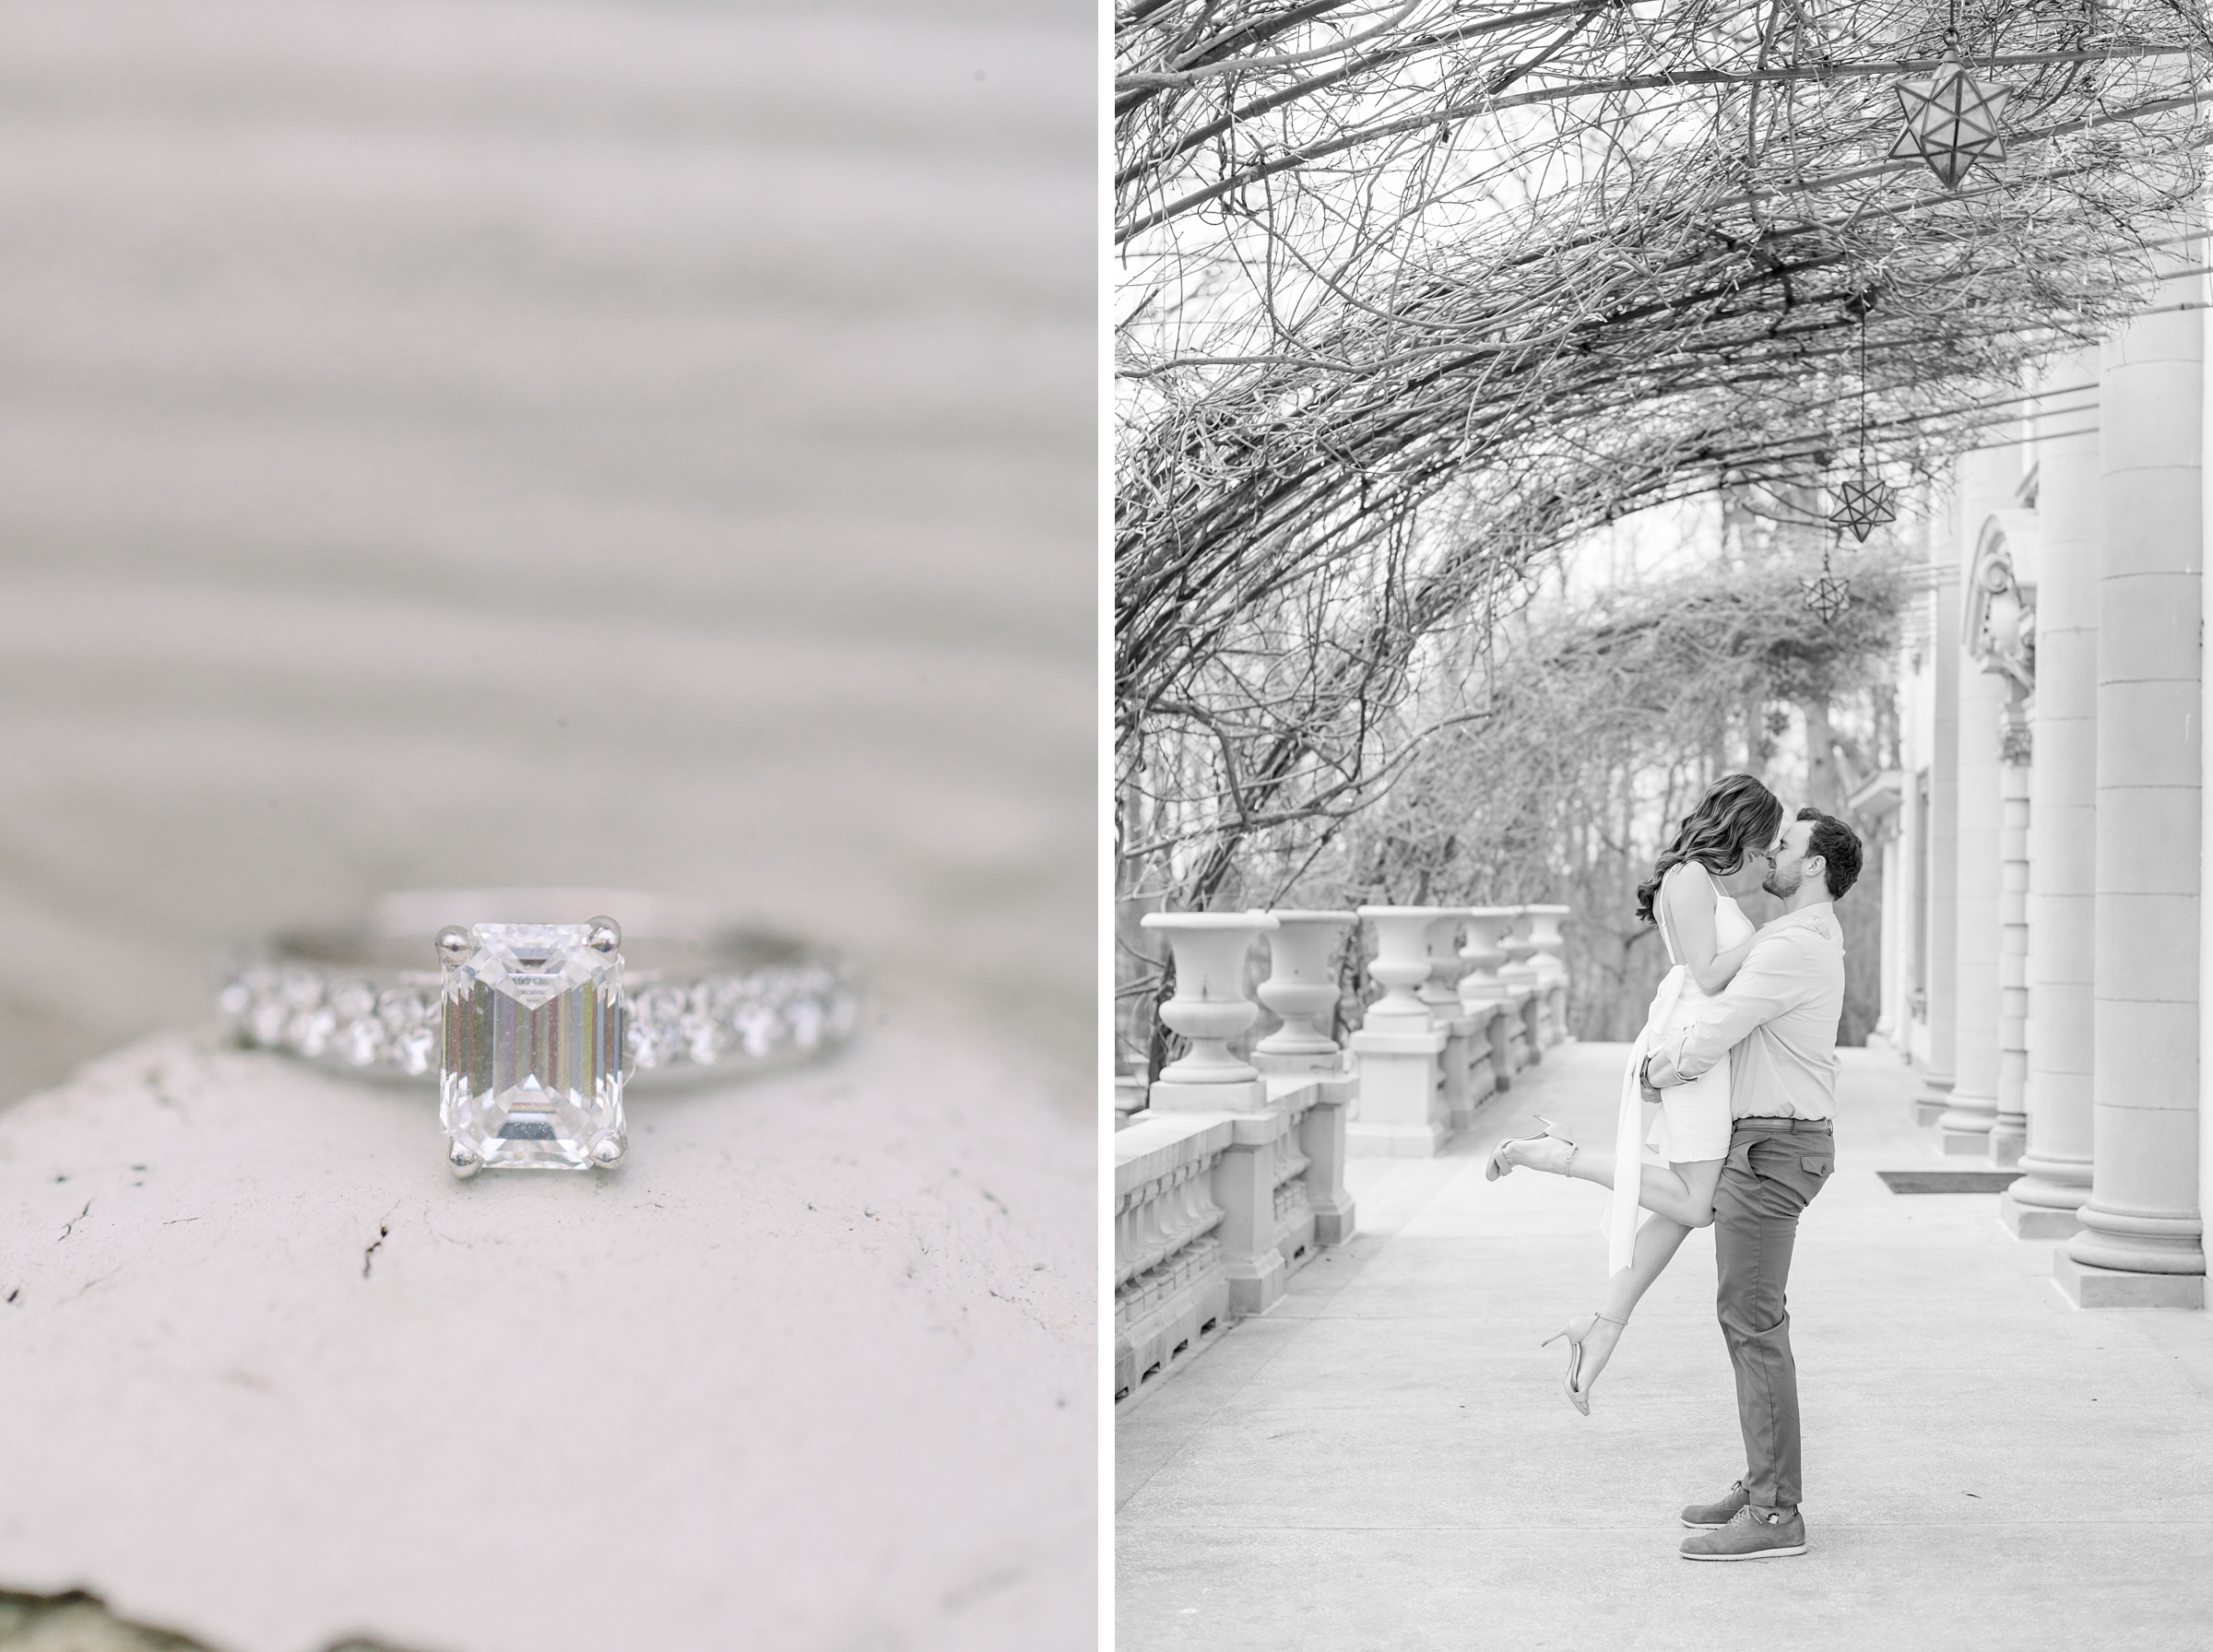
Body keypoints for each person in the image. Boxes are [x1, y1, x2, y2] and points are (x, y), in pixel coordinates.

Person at [1485, 773, 1782, 1414]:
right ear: (1745, 830)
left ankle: (1603, 1323)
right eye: (1766, 845)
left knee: (1683, 1209)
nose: (1767, 858)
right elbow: (1706, 973)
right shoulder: (1691, 878)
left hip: (1704, 1047)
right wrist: (1775, 939)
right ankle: (1557, 1155)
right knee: (1696, 1206)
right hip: (1690, 1048)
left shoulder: (1696, 879)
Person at [1646, 805, 1857, 1561]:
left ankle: (1774, 1514)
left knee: (1753, 1323)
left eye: (1787, 847)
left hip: (1775, 1148)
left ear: (1818, 868)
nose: (1771, 855)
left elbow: (1720, 1025)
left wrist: (1655, 1070)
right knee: (1749, 1320)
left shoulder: (1794, 944)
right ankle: (1764, 1479)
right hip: (1773, 1142)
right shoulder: (1799, 936)